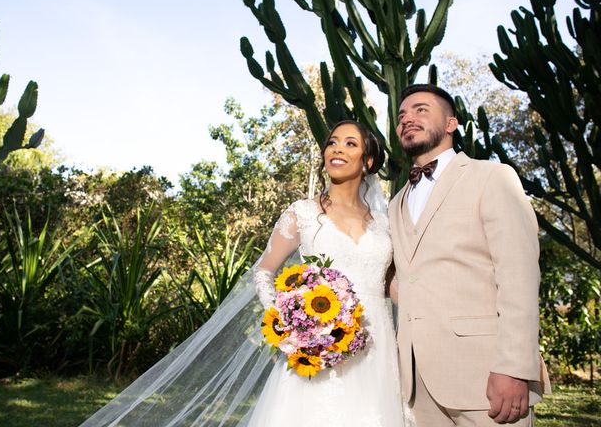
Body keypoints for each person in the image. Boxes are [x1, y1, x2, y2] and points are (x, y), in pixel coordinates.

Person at [81, 120, 408, 427]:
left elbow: (388, 284)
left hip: (374, 344)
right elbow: (264, 271)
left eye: (350, 143)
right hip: (315, 343)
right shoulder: (303, 213)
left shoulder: (384, 224)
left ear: (367, 161)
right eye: (332, 142)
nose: (337, 149)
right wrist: (291, 324)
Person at [387, 84, 550, 427]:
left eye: (420, 110)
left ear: (450, 124)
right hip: (416, 386)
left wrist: (514, 367)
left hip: (486, 378)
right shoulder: (395, 203)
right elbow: (408, 281)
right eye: (402, 115)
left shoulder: (491, 177)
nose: (407, 119)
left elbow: (518, 276)